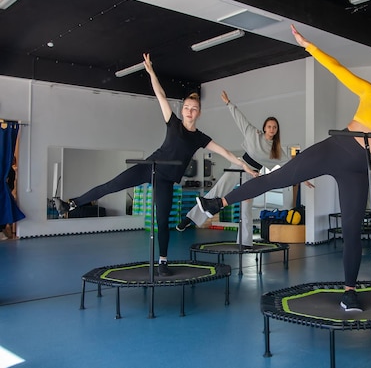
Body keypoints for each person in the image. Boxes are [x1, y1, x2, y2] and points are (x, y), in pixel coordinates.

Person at [196, 24, 371, 311]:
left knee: (351, 229)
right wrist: (308, 46)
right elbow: (337, 69)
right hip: (334, 149)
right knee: (279, 178)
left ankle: (349, 292)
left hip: (358, 169)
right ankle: (216, 202)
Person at [54, 53, 257, 276]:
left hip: (166, 180)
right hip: (149, 167)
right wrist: (151, 72)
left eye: (194, 108)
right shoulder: (173, 123)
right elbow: (160, 95)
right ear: (182, 110)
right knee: (111, 185)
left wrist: (245, 166)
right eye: (187, 107)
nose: (190, 111)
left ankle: (162, 262)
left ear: (199, 113)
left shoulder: (199, 137)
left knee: (162, 220)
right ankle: (71, 204)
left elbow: (225, 152)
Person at [177, 90, 313, 248]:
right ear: (264, 128)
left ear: (277, 130)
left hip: (253, 174)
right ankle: (190, 219)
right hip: (240, 165)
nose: (271, 129)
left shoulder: (277, 150)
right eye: (269, 126)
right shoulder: (254, 134)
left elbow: (291, 166)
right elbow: (240, 120)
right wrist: (229, 104)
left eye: (274, 127)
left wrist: (303, 179)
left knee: (246, 206)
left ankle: (245, 242)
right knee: (219, 189)